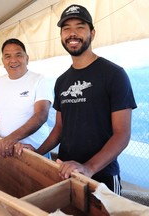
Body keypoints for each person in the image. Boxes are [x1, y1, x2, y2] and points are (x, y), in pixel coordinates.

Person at [21, 4, 137, 195]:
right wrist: (37, 152)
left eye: (80, 27)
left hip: (102, 176)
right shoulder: (62, 81)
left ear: (92, 33)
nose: (72, 33)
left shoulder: (114, 74)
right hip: (66, 172)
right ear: (61, 36)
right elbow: (59, 129)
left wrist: (88, 168)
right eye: (66, 29)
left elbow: (122, 135)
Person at [0, 38, 53, 158]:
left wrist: (11, 139)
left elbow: (41, 115)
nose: (13, 60)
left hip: (34, 149)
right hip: (7, 148)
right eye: (8, 56)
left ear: (27, 58)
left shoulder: (39, 80)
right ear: (3, 61)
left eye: (18, 55)